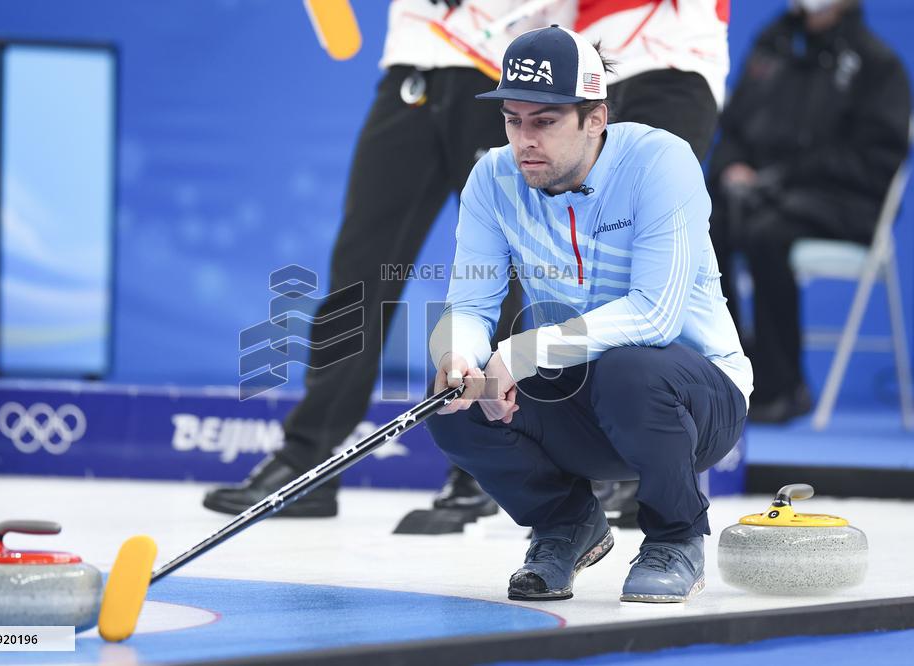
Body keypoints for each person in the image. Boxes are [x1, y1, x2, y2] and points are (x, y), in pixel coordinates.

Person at [426, 25, 752, 602]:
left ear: (595, 118)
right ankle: (566, 524)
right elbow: (470, 303)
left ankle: (676, 537)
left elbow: (656, 317)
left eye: (545, 121)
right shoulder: (492, 178)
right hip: (582, 403)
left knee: (632, 368)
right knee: (452, 407)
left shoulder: (661, 161)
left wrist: (521, 352)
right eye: (513, 119)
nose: (524, 139)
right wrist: (458, 360)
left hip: (698, 401)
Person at [201, 0, 563, 517]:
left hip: (504, 74)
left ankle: (484, 463)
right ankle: (308, 459)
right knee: (360, 271)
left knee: (495, 274)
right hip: (413, 66)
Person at [707, 0, 910, 423]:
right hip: (765, 191)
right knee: (707, 220)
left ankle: (781, 385)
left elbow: (874, 162)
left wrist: (780, 178)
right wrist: (732, 169)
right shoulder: (774, 45)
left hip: (843, 203)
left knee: (764, 231)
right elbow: (734, 125)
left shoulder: (876, 65)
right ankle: (724, 370)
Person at [569, 0, 732, 524]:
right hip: (593, 64)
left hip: (674, 59)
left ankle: (659, 448)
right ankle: (605, 450)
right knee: (589, 253)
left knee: (649, 242)